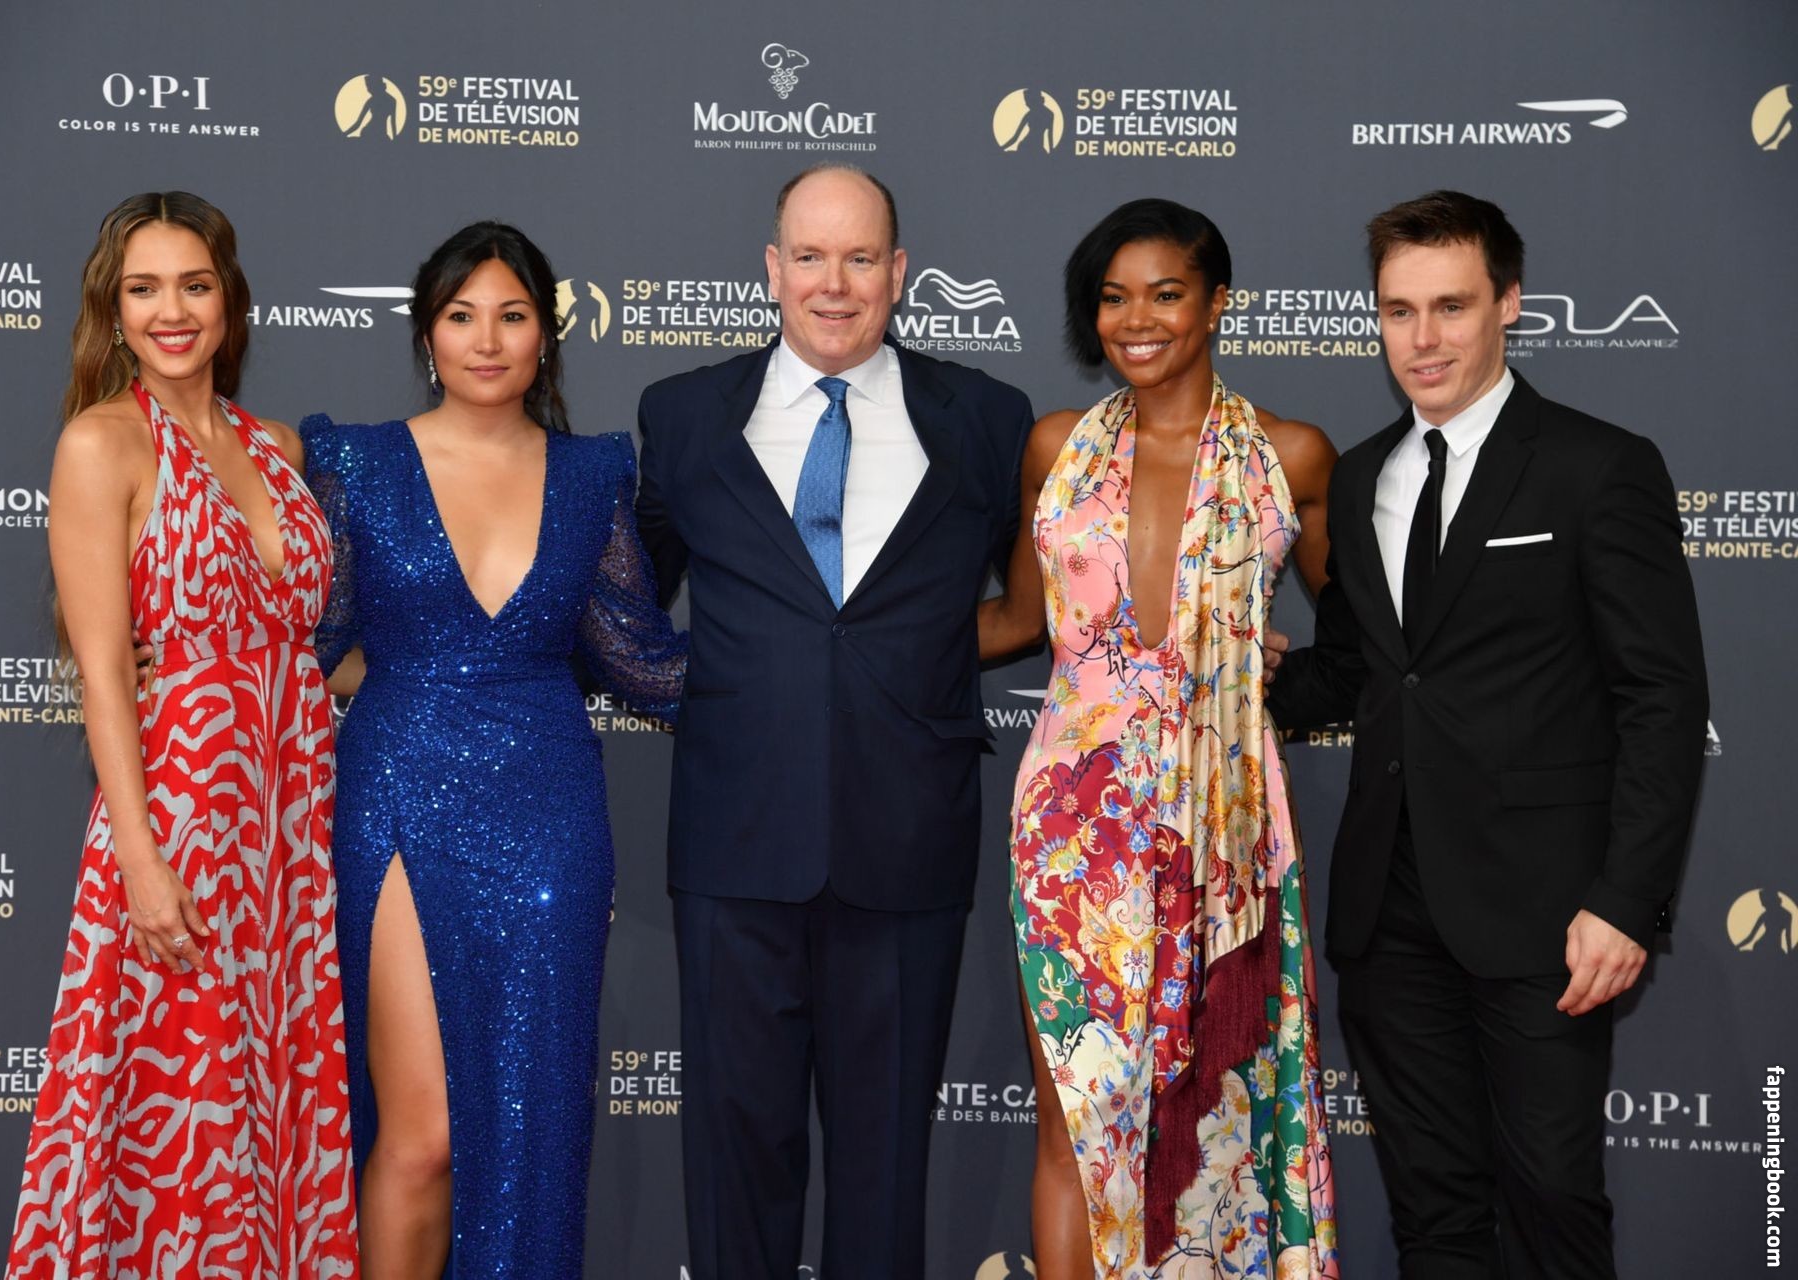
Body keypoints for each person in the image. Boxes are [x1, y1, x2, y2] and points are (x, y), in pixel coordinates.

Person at [1265, 190, 1708, 1278]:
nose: (1422, 339)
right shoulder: (1362, 475)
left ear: (1509, 303)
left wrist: (1626, 899)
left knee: (1553, 1201)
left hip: (1546, 913)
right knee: (1435, 1214)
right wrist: (1235, 669)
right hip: (1389, 911)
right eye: (1398, 310)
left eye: (1451, 307)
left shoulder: (1598, 466)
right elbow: (1363, 672)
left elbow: (1661, 697)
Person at [634, 165, 1034, 1279]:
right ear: (773, 269)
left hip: (907, 841)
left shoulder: (988, 419)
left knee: (885, 1171)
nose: (834, 284)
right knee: (734, 1167)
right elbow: (625, 604)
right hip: (734, 843)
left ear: (898, 273)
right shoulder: (682, 414)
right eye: (810, 256)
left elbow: (1053, 599)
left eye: (860, 258)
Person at [301, 220, 685, 1279]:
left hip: (549, 815)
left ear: (544, 336)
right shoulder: (358, 462)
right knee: (421, 1136)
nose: (486, 339)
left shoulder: (594, 473)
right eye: (461, 315)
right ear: (427, 333)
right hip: (398, 796)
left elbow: (641, 660)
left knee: (530, 1133)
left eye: (511, 315)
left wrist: (810, 671)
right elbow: (312, 642)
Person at [979, 198, 1341, 1279]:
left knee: (1229, 1114)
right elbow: (1016, 620)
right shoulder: (1054, 447)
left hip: (1227, 836)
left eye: (1166, 294)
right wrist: (848, 634)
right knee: (1076, 1122)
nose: (1136, 320)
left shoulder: (1291, 456)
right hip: (1073, 834)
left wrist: (1268, 672)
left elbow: (1372, 643)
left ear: (1218, 302)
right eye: (1112, 297)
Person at [5, 192, 357, 1277]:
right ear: (113, 312)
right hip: (184, 817)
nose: (172, 311)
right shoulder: (101, 444)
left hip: (289, 827)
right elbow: (106, 671)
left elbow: (307, 648)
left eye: (194, 285)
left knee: (272, 1101)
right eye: (144, 289)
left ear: (229, 300)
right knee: (183, 1108)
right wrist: (143, 862)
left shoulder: (276, 444)